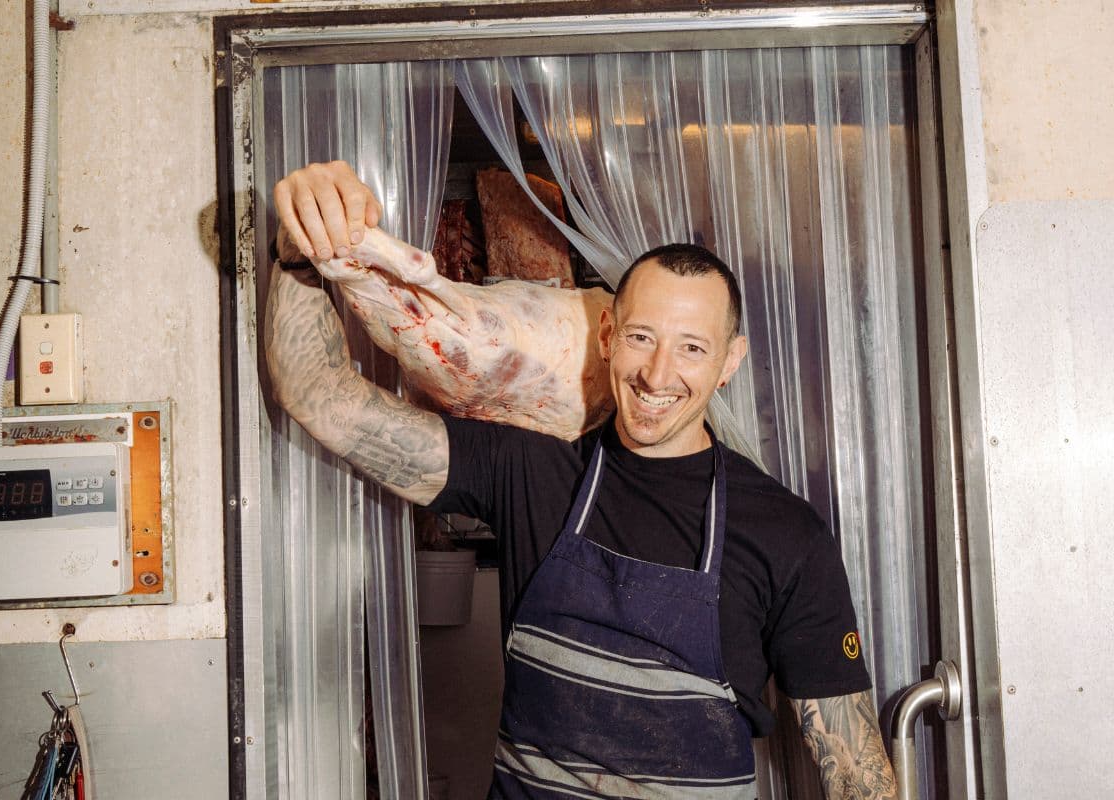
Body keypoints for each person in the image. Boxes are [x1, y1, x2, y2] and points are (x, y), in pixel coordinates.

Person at [266, 160, 898, 799]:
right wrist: (301, 247)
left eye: (692, 348)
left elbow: (855, 773)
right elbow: (323, 396)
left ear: (729, 361)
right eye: (641, 337)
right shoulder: (530, 471)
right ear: (606, 335)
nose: (657, 374)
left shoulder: (785, 533)